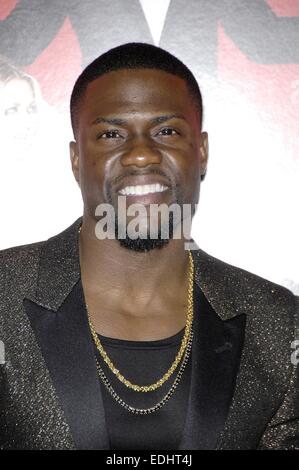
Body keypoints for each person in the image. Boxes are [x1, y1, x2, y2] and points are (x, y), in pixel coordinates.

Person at [0, 43, 298, 450]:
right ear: (76, 160)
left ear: (202, 151)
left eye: (167, 131)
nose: (141, 154)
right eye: (110, 134)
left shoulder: (279, 324)